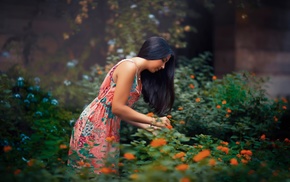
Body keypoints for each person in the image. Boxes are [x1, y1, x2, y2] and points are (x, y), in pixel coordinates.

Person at [67, 36, 175, 174]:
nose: (163, 66)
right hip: (94, 125)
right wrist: (155, 120)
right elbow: (117, 108)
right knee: (91, 174)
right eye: (163, 60)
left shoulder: (138, 74)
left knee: (104, 174)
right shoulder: (129, 67)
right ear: (155, 52)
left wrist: (149, 127)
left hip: (108, 126)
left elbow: (121, 112)